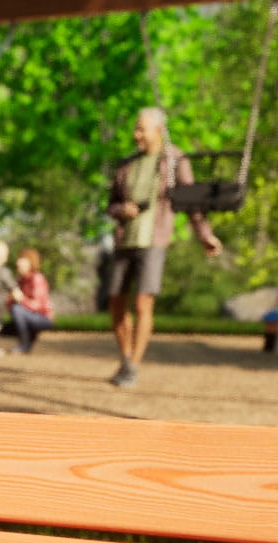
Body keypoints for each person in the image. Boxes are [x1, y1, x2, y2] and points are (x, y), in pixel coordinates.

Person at [104, 106, 221, 388]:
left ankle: (133, 365)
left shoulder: (174, 160)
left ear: (158, 131)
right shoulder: (126, 165)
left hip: (153, 241)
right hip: (125, 241)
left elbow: (190, 200)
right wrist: (123, 209)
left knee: (144, 302)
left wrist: (204, 234)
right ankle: (125, 356)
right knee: (117, 304)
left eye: (141, 129)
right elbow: (110, 205)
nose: (136, 135)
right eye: (136, 128)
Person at [9, 247, 54, 353]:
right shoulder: (21, 280)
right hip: (30, 315)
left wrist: (21, 299)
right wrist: (11, 299)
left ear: (30, 263)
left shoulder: (37, 278)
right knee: (6, 323)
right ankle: (28, 340)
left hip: (43, 318)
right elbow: (10, 306)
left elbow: (37, 306)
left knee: (17, 309)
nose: (18, 263)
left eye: (21, 260)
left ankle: (24, 345)